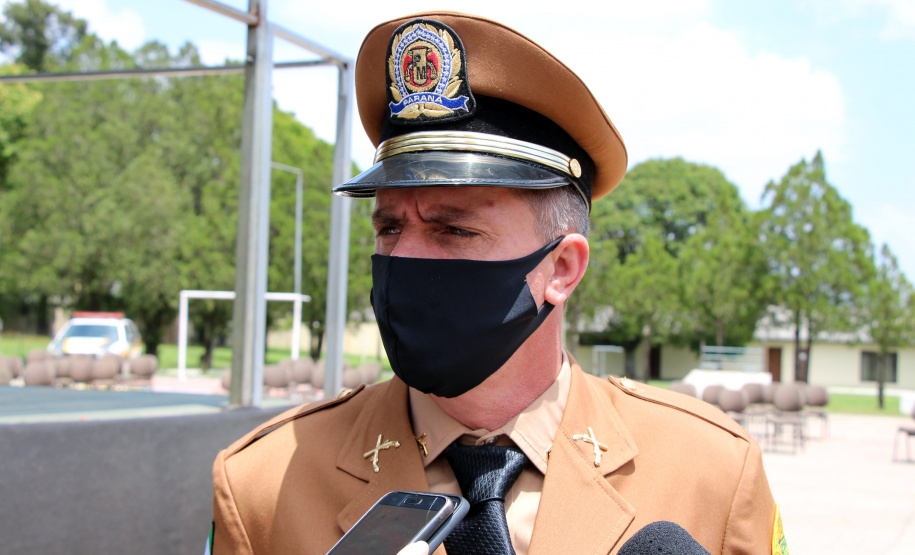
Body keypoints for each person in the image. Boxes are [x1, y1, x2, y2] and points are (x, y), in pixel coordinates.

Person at [209, 11, 787, 555]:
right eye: (389, 227)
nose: (403, 257)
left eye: (454, 230)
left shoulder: (710, 474)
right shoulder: (264, 484)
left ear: (561, 269)